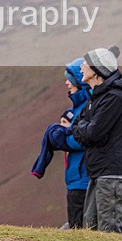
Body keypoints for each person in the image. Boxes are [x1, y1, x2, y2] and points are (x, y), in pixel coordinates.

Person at [71, 45, 122, 233]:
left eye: (85, 64)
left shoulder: (113, 98)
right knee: (90, 230)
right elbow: (77, 128)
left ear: (97, 70)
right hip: (99, 173)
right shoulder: (96, 98)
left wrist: (85, 130)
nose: (81, 67)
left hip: (112, 174)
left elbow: (92, 133)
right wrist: (85, 129)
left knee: (109, 233)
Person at [30, 58, 91, 229]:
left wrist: (62, 140)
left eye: (70, 79)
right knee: (78, 224)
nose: (66, 83)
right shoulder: (77, 108)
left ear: (79, 81)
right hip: (76, 177)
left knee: (80, 228)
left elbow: (84, 139)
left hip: (83, 177)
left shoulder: (86, 107)